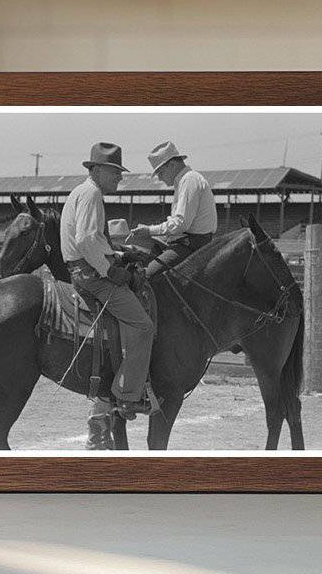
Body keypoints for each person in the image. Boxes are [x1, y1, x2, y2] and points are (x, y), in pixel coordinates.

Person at [60, 142, 155, 450]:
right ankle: (127, 395)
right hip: (92, 277)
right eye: (115, 172)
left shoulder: (81, 192)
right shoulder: (91, 195)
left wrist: (117, 253)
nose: (119, 179)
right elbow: (87, 240)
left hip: (81, 269)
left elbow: (91, 240)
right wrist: (110, 269)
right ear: (98, 170)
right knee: (143, 326)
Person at [133, 140, 218, 279]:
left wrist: (149, 230)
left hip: (190, 245)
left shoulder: (188, 180)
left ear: (172, 165)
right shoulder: (186, 180)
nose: (159, 178)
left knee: (144, 276)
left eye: (160, 172)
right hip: (188, 241)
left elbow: (180, 223)